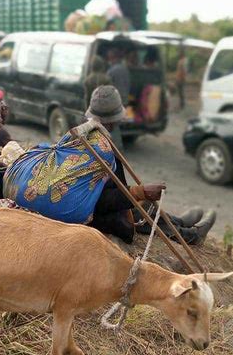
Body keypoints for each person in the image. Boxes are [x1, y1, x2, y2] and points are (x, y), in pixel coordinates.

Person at [82, 86, 216, 244]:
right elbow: (103, 200)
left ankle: (178, 222)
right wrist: (139, 192)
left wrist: (136, 194)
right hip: (89, 215)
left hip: (93, 205)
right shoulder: (99, 149)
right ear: (115, 119)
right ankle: (190, 236)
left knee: (139, 203)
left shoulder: (84, 133)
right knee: (136, 211)